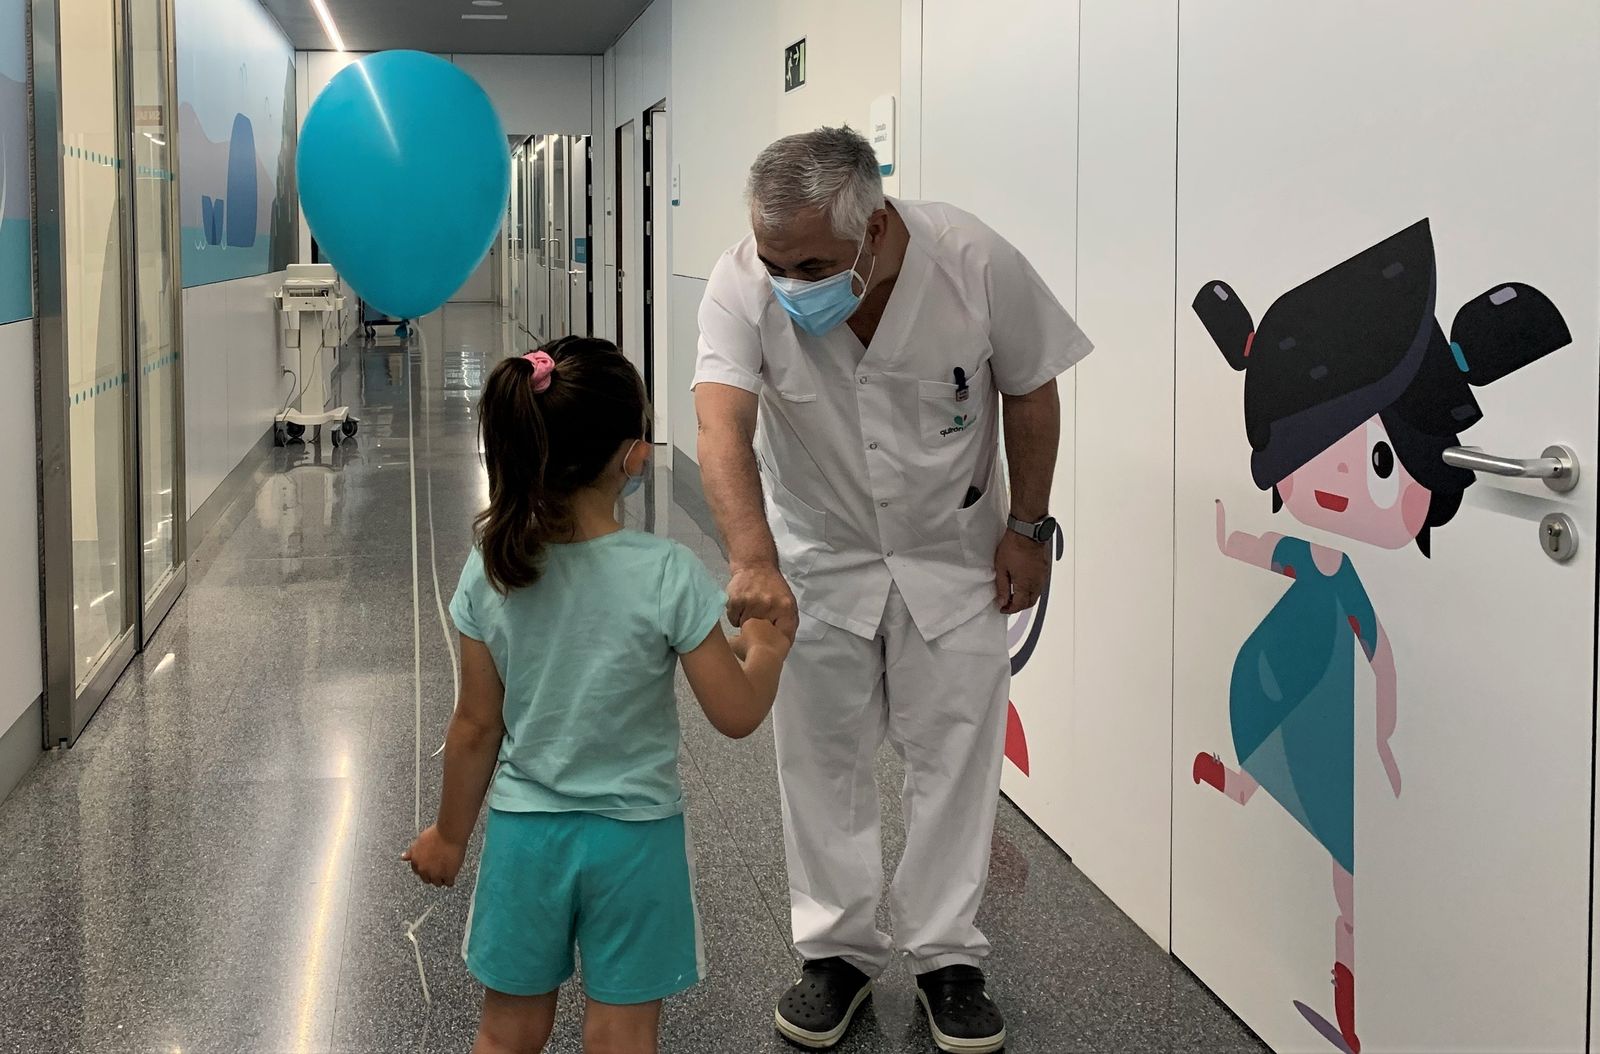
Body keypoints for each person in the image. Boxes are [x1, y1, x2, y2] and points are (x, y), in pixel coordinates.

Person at [693, 127, 1093, 1053]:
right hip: (819, 559)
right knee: (820, 757)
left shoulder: (974, 260)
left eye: (813, 263)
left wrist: (1028, 528)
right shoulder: (743, 282)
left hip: (954, 559)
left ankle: (949, 956)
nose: (791, 282)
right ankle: (835, 952)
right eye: (775, 260)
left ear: (872, 229)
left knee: (955, 756)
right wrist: (751, 555)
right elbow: (721, 425)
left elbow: (1031, 391)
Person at [1192, 218, 1571, 1054]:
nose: (1329, 482)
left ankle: (1350, 1013)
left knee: (1342, 857)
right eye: (1311, 453)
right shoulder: (1315, 558)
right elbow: (1264, 549)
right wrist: (1224, 538)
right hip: (1281, 676)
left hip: (1324, 698)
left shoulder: (1347, 580)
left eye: (1373, 459)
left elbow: (1378, 651)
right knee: (1271, 745)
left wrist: (1389, 730)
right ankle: (1243, 782)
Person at [404, 336, 793, 1054]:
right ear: (633, 456)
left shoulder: (492, 570)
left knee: (507, 1031)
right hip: (635, 842)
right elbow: (735, 711)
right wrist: (766, 648)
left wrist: (450, 837)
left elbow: (474, 728)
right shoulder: (667, 573)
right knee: (620, 1035)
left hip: (527, 839)